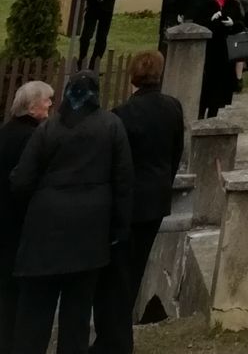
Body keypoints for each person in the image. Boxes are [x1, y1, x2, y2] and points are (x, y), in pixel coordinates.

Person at [8, 72, 132, 354]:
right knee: (76, 318)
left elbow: (21, 180)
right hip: (90, 235)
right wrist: (118, 230)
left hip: (44, 232)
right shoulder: (112, 126)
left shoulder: (48, 129)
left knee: (34, 315)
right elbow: (124, 182)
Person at [95, 51, 184, 354]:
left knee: (116, 276)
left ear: (133, 76)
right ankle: (116, 340)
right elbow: (176, 151)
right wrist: (164, 182)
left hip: (128, 204)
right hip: (156, 200)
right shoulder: (172, 107)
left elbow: (115, 163)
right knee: (133, 271)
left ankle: (114, 342)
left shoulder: (122, 114)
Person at [0, 83, 53, 353]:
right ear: (32, 107)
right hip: (22, 224)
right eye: (47, 100)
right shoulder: (34, 138)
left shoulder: (5, 132)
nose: (51, 104)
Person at [199, 0, 241, 119]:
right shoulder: (207, 4)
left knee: (220, 88)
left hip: (226, 51)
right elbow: (199, 24)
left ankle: (213, 115)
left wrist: (233, 23)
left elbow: (241, 24)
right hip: (210, 50)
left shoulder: (233, 4)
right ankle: (200, 114)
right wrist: (211, 20)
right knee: (206, 85)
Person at [78, 0, 127, 68]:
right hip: (93, 9)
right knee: (86, 36)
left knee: (101, 39)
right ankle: (81, 62)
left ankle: (94, 65)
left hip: (107, 10)